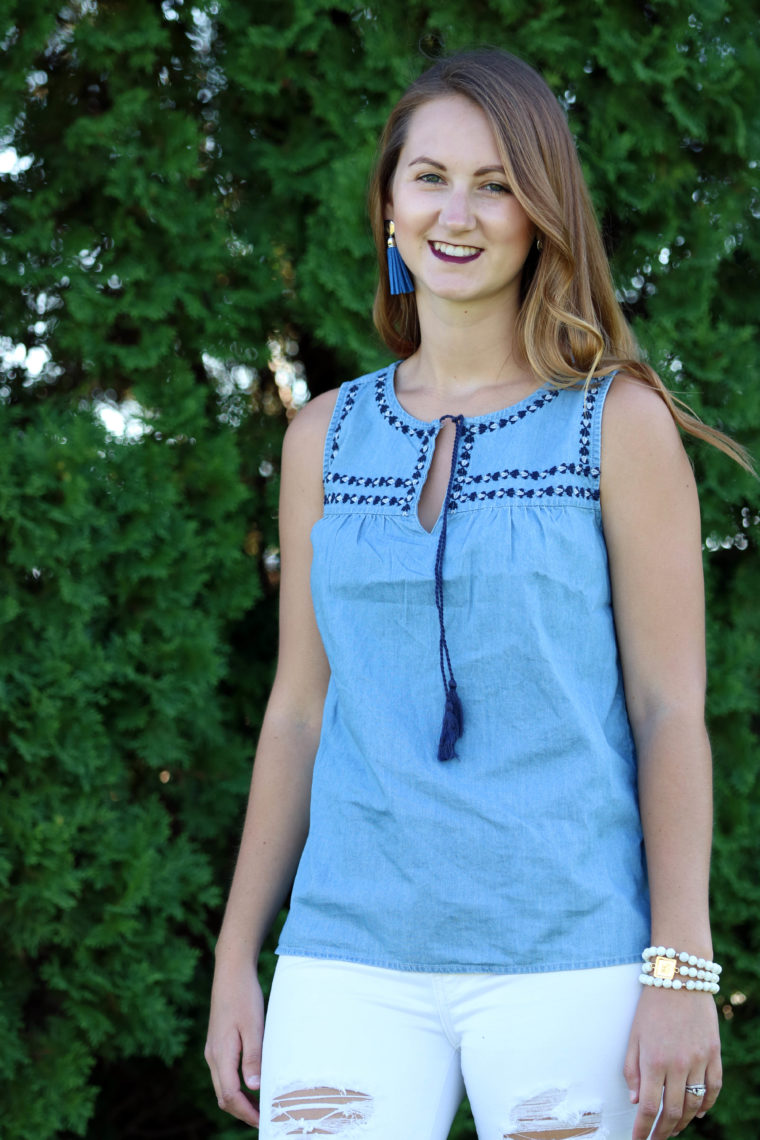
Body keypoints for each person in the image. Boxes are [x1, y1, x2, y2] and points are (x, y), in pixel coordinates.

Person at [205, 49, 750, 1140]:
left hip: (570, 956)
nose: (459, 212)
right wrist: (235, 960)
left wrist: (681, 968)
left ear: (542, 211)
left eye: (497, 183)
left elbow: (665, 712)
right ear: (390, 208)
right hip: (347, 957)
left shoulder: (616, 424)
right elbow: (299, 715)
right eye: (430, 178)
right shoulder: (322, 437)